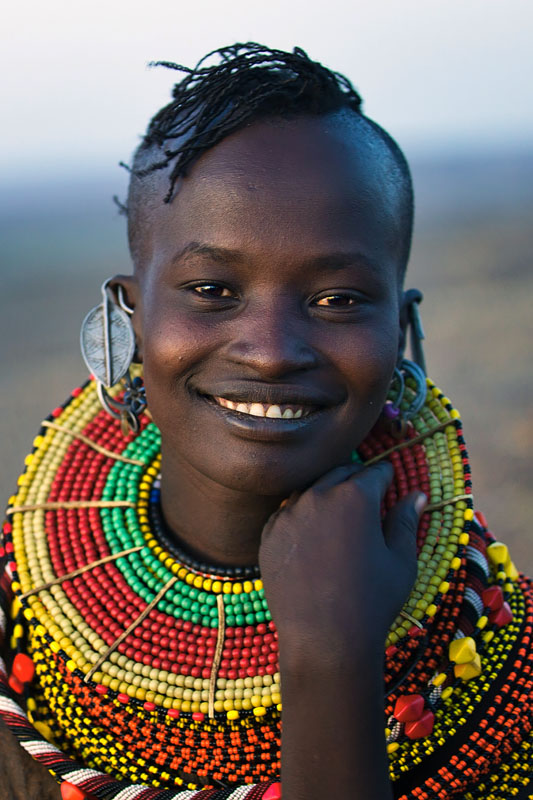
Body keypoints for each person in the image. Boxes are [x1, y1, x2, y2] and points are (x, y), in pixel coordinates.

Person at [1, 43, 532, 800]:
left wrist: (332, 658)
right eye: (213, 288)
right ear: (129, 316)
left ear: (402, 331)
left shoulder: (505, 654)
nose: (273, 352)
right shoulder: (19, 642)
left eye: (338, 299)